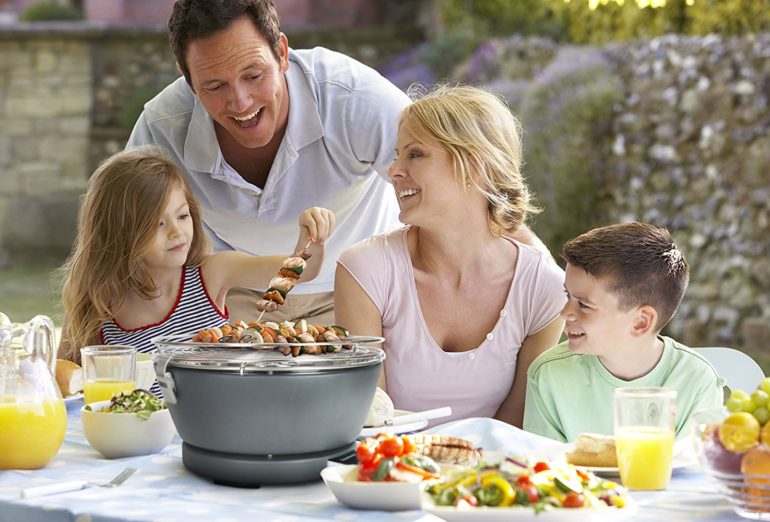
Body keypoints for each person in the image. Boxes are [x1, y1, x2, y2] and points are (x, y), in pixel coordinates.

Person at [126, 0, 549, 325]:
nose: (240, 102)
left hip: (360, 290)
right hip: (238, 295)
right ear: (186, 78)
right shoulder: (163, 126)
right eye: (214, 85)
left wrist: (550, 285)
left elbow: (464, 185)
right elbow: (117, 231)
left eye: (254, 75)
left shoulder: (351, 97)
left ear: (282, 53)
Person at [335, 85, 566, 428]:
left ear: (473, 166)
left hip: (494, 475)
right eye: (397, 155)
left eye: (415, 154)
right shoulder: (365, 271)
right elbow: (371, 420)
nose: (394, 171)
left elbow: (518, 426)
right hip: (388, 474)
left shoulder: (544, 289)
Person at [58, 146, 334, 390]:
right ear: (119, 233)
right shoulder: (98, 300)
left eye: (181, 215)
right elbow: (66, 381)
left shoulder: (212, 273)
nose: (177, 232)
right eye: (158, 224)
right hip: (138, 440)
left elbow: (300, 271)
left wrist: (311, 239)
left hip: (215, 429)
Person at [523, 222, 723, 442]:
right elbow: (544, 469)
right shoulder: (548, 375)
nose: (565, 313)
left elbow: (695, 471)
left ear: (640, 322)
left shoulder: (697, 381)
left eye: (584, 305)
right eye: (567, 296)